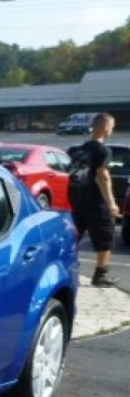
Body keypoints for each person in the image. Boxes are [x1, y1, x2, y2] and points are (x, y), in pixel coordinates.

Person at [72, 112, 120, 287]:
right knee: (105, 237)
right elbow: (103, 175)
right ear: (105, 127)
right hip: (96, 203)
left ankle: (69, 268)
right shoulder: (103, 150)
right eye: (112, 127)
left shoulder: (80, 149)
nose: (112, 131)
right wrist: (112, 203)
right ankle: (100, 275)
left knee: (75, 237)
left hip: (78, 201)